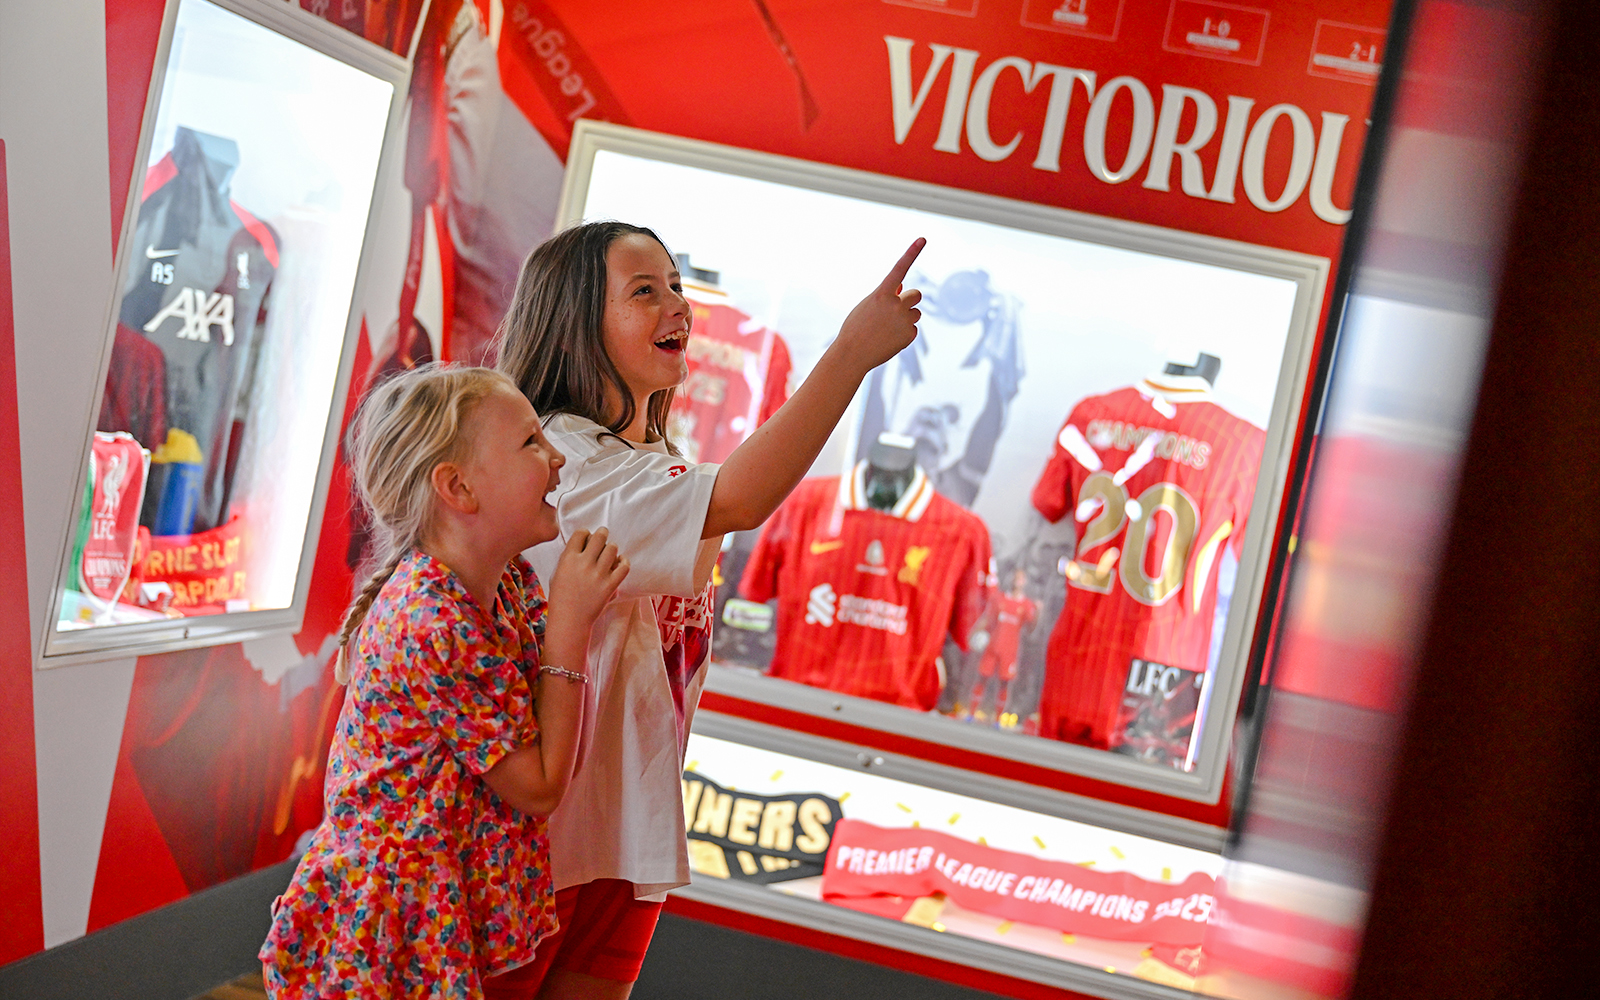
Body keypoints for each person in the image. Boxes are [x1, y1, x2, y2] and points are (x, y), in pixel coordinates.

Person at [492, 221, 924, 998]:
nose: (677, 308)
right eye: (644, 291)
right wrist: (851, 353)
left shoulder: (643, 462)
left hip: (625, 829)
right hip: (548, 838)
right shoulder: (566, 464)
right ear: (572, 322)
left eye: (677, 287)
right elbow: (744, 496)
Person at [259, 364, 630, 999]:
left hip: (435, 910)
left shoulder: (509, 582)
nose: (557, 458)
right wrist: (571, 624)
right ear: (457, 486)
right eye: (530, 444)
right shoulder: (430, 620)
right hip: (386, 933)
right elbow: (540, 785)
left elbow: (538, 724)